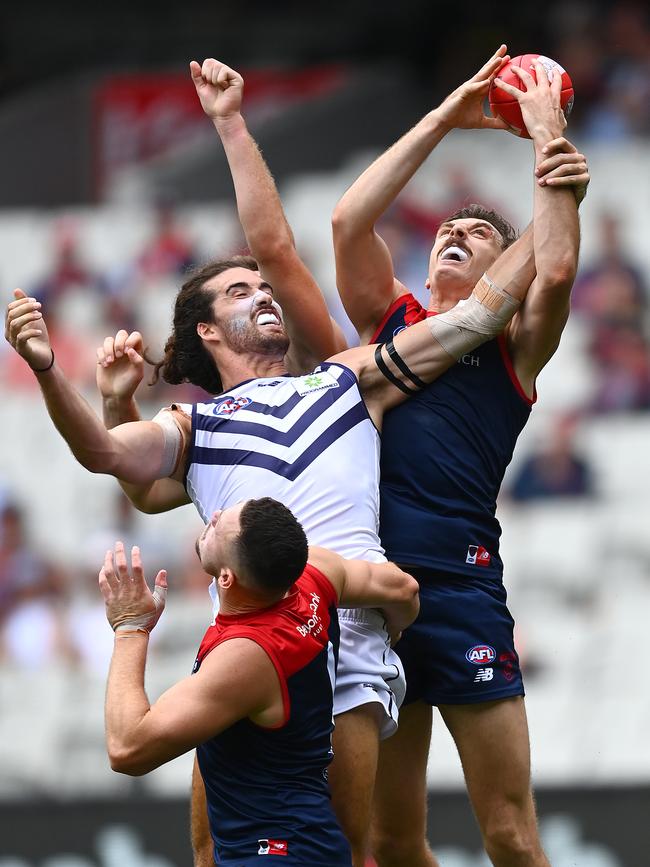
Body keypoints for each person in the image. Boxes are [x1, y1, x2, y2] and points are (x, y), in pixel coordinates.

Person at [331, 48, 588, 866]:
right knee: (392, 839)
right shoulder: (391, 319)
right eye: (449, 227)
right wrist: (444, 117)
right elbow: (346, 223)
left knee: (509, 833)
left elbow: (555, 265)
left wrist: (547, 138)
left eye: (479, 234)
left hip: (463, 589)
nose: (455, 232)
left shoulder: (513, 344)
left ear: (495, 271)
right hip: (375, 595)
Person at [99, 496, 420, 867]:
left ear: (226, 578)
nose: (213, 517)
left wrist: (130, 628)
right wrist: (393, 634)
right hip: (305, 843)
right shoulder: (314, 574)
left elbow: (127, 749)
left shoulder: (248, 657)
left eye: (220, 526)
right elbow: (405, 591)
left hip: (274, 853)